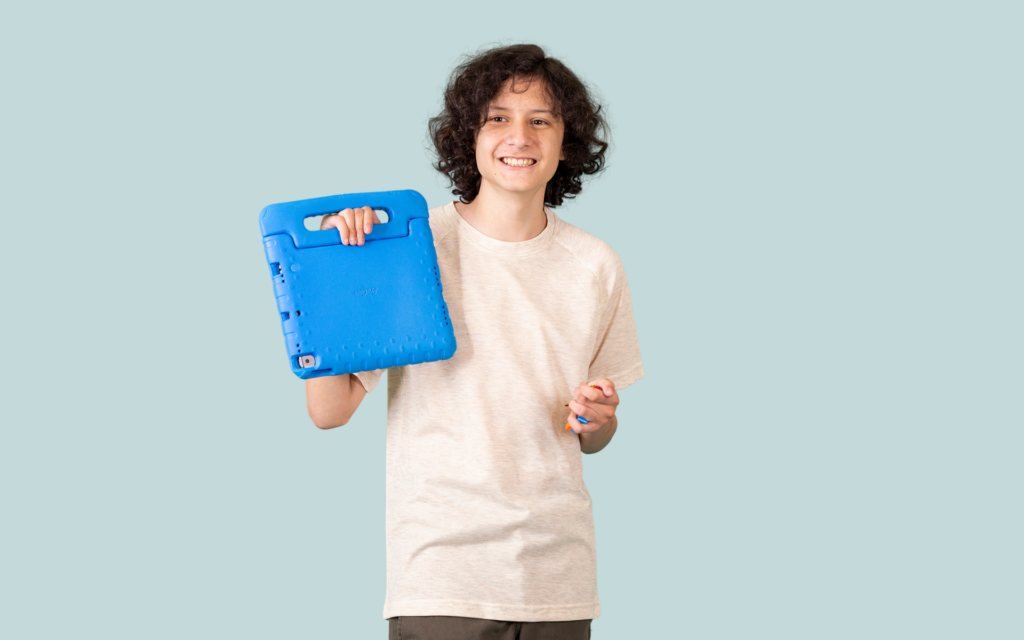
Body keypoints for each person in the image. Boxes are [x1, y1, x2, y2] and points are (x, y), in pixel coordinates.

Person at [306, 43, 644, 640]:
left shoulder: (596, 264)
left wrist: (599, 419)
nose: (520, 135)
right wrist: (339, 276)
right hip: (443, 575)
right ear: (469, 135)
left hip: (558, 582)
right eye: (498, 118)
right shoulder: (412, 246)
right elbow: (328, 412)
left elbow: (595, 437)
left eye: (541, 120)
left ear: (568, 142)